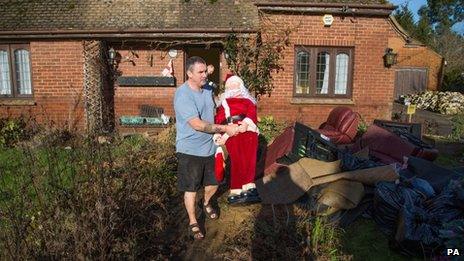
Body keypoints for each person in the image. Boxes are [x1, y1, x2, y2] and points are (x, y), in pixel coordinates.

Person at [173, 56, 239, 240]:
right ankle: (193, 220)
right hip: (190, 149)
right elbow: (198, 125)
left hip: (210, 146)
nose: (205, 75)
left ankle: (207, 202)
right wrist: (226, 128)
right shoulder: (183, 94)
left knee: (214, 182)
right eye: (200, 72)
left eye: (205, 72)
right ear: (189, 74)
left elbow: (216, 103)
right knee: (191, 187)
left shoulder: (207, 88)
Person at [213, 76, 261, 205]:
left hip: (248, 131)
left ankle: (249, 187)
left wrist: (246, 123)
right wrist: (221, 134)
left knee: (249, 159)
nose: (234, 87)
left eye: (236, 84)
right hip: (231, 132)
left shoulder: (248, 101)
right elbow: (219, 119)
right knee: (237, 160)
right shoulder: (224, 103)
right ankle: (236, 190)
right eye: (231, 85)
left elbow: (252, 114)